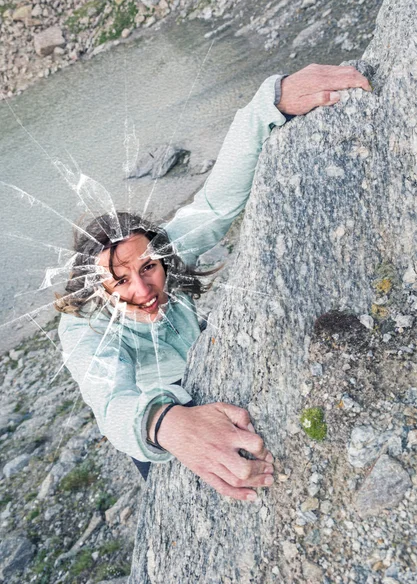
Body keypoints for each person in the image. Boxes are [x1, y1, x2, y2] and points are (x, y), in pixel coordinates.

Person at [56, 64, 371, 502]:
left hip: (205, 377)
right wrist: (166, 424)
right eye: (120, 280)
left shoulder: (166, 253)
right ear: (96, 287)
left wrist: (271, 101)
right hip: (158, 428)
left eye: (147, 268)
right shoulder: (82, 327)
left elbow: (217, 203)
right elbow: (110, 399)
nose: (144, 290)